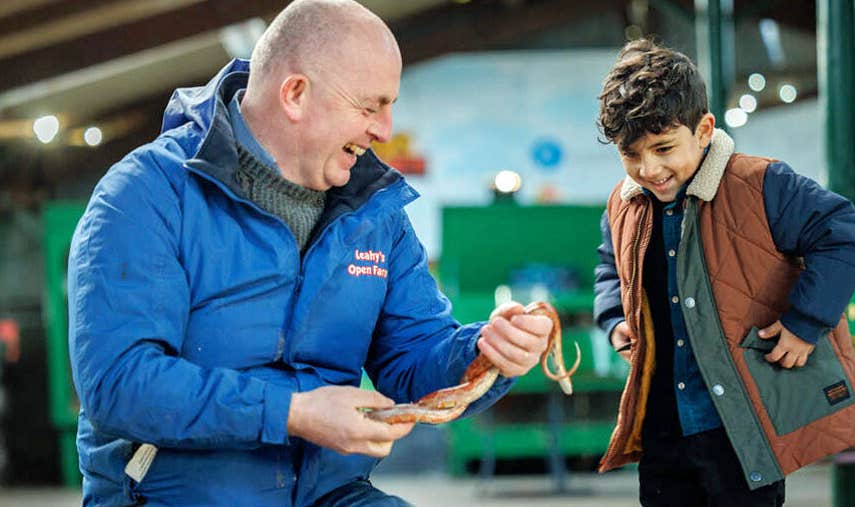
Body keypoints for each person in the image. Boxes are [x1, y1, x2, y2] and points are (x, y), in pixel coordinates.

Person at [67, 1, 555, 505]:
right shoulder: (147, 194)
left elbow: (412, 363)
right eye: (370, 107)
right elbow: (119, 383)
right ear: (295, 94)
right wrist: (292, 412)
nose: (385, 130)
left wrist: (484, 354)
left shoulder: (376, 214)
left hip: (332, 493)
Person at [592, 38, 855, 506]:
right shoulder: (622, 207)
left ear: (704, 129)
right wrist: (615, 320)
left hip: (743, 427)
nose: (649, 168)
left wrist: (806, 323)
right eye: (631, 154)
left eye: (663, 148)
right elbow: (609, 267)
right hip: (663, 425)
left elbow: (841, 233)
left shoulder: (763, 185)